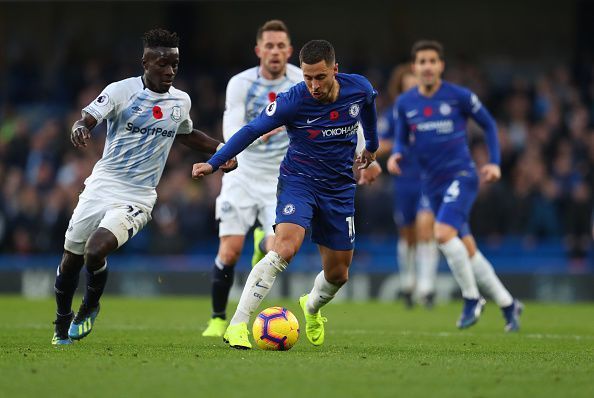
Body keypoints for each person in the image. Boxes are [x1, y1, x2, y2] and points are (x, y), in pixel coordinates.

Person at [51, 28, 237, 345]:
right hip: (102, 184)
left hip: (138, 195)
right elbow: (87, 118)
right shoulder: (120, 92)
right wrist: (80, 127)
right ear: (145, 62)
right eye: (163, 63)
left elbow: (186, 133)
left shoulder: (180, 101)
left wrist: (223, 150)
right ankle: (61, 322)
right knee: (71, 259)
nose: (170, 71)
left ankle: (90, 305)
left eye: (175, 64)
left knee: (96, 250)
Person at [192, 39, 379, 349]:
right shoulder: (293, 100)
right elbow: (252, 129)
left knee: (338, 274)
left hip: (339, 189)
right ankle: (237, 325)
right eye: (307, 77)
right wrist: (214, 162)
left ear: (335, 69)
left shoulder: (358, 88)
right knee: (285, 248)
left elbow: (369, 110)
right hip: (299, 182)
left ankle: (312, 307)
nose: (314, 85)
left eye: (320, 77)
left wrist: (371, 147)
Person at [388, 40, 523, 331]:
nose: (426, 66)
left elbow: (488, 124)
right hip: (431, 184)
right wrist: (396, 153)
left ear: (441, 66)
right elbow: (400, 137)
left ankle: (472, 298)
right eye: (421, 61)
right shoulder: (405, 103)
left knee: (442, 233)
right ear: (414, 67)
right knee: (467, 249)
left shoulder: (459, 96)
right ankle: (508, 303)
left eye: (432, 61)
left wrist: (495, 161)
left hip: (461, 175)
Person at [201, 20, 303, 338]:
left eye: (280, 46)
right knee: (229, 251)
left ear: (289, 50)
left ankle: (261, 241)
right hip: (242, 174)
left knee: (277, 248)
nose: (275, 52)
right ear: (259, 50)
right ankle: (218, 318)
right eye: (268, 46)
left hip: (281, 178)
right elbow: (232, 124)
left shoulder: (302, 82)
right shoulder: (240, 83)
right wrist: (254, 136)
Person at [376, 64, 439, 308]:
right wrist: (396, 145)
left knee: (426, 228)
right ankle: (408, 284)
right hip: (403, 180)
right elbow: (379, 145)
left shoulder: (432, 112)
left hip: (428, 178)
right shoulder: (393, 113)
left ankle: (427, 287)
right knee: (408, 234)